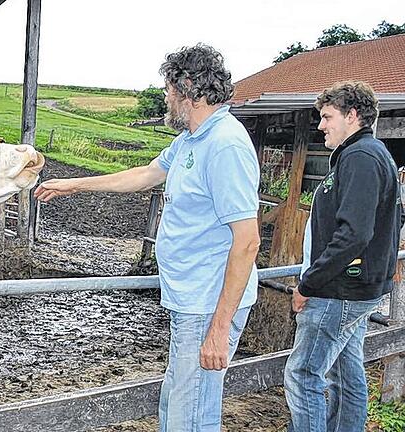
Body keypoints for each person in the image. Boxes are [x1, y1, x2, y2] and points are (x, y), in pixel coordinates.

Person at [34, 44, 260, 431]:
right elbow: (144, 175)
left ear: (187, 88)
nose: (165, 96)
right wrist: (76, 184)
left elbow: (248, 241)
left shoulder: (226, 144)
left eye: (168, 88)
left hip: (207, 303)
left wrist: (219, 329)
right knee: (182, 402)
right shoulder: (192, 139)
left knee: (189, 413)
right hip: (190, 299)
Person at [284, 81, 401, 432]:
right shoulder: (372, 154)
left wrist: (308, 283)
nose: (321, 125)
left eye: (327, 116)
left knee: (303, 374)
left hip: (339, 291)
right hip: (360, 288)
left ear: (352, 116)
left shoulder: (361, 157)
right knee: (346, 373)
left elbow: (355, 233)